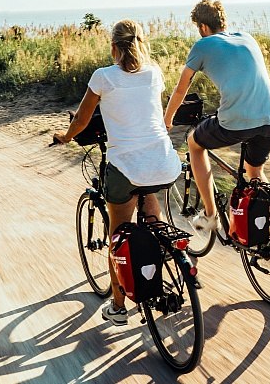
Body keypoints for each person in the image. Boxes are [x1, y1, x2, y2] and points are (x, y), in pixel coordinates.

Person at [54, 20, 181, 326]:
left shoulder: (103, 77)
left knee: (118, 234)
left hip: (126, 166)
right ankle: (162, 248)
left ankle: (118, 306)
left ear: (113, 47)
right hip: (164, 162)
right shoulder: (155, 73)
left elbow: (83, 120)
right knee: (149, 196)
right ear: (142, 43)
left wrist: (66, 137)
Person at [163, 0, 270, 233]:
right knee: (255, 171)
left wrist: (167, 119)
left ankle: (210, 215)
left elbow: (180, 90)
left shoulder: (203, 45)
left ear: (203, 27)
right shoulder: (248, 38)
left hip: (237, 121)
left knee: (194, 144)